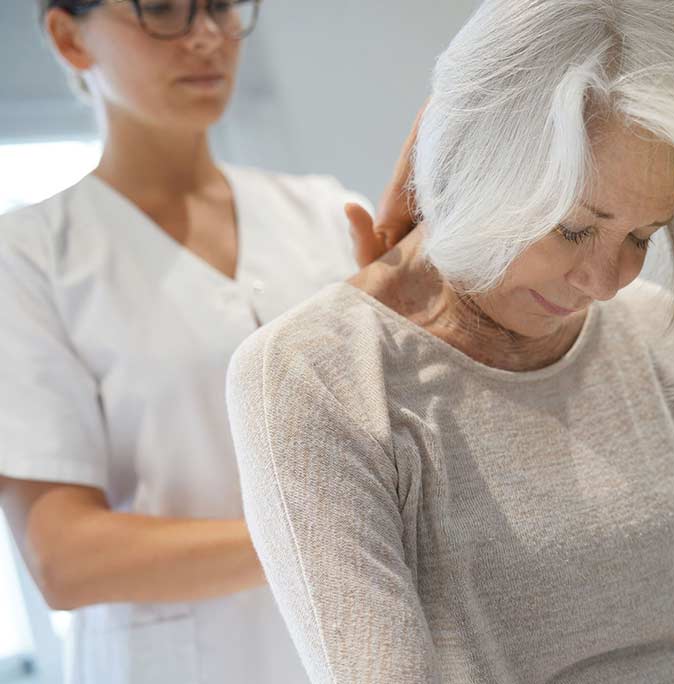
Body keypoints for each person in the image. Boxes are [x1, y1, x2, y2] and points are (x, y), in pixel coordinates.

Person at [226, 0, 674, 682]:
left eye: (641, 237)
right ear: (480, 162)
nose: (605, 281)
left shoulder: (656, 335)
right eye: (572, 228)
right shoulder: (316, 378)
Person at [0, 0, 414, 682]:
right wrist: (323, 534)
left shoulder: (323, 214)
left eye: (221, 6)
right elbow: (64, 558)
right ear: (70, 37)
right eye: (162, 10)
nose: (207, 37)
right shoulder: (32, 258)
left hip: (357, 646)